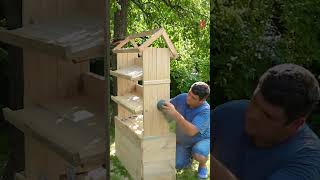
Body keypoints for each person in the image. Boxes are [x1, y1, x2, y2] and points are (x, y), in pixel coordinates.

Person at [212, 64, 320, 180]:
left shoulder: (308, 163)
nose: (252, 115)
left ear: (296, 124)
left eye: (267, 115)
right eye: (254, 102)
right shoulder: (231, 113)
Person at [162, 82, 210, 179]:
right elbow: (167, 105)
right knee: (178, 164)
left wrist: (175, 114)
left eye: (193, 98)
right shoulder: (182, 97)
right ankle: (188, 158)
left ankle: (202, 164)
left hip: (202, 140)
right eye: (189, 94)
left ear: (202, 100)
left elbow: (191, 131)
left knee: (199, 153)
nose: (188, 98)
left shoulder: (205, 111)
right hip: (183, 141)